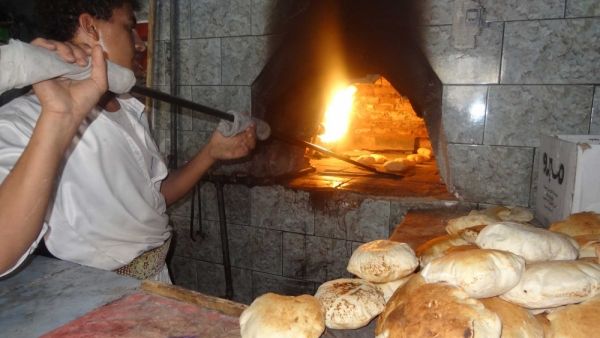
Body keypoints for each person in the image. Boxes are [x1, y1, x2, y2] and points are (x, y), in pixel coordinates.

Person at [0, 0, 256, 282]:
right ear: (89, 27)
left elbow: (153, 198)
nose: (140, 44)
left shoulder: (128, 107)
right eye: (129, 28)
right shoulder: (23, 119)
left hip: (157, 279)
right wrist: (58, 118)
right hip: (98, 299)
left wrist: (211, 152)